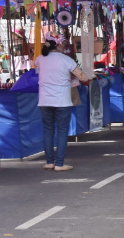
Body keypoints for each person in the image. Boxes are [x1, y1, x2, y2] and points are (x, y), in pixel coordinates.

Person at [36, 36, 91, 172]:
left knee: (48, 130)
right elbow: (83, 77)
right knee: (62, 131)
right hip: (61, 100)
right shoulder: (66, 60)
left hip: (44, 100)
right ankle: (59, 163)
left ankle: (49, 162)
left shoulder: (39, 59)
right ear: (59, 46)